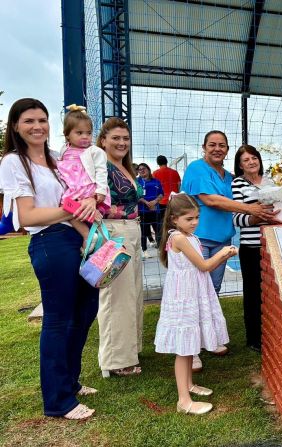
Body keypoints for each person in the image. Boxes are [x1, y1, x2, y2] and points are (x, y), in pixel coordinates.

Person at [0, 98, 99, 419]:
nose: (37, 126)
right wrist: (73, 209)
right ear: (15, 126)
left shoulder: (57, 159)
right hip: (48, 242)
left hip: (76, 237)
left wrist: (87, 233)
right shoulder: (13, 163)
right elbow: (28, 215)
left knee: (85, 311)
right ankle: (58, 400)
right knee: (59, 319)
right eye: (29, 121)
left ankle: (70, 381)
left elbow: (74, 200)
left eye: (42, 120)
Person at [181, 131, 277, 370]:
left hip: (222, 241)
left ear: (226, 149)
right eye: (212, 144)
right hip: (199, 239)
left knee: (211, 291)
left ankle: (207, 339)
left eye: (221, 145)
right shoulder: (196, 168)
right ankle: (189, 350)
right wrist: (250, 209)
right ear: (203, 146)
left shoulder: (229, 178)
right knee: (193, 292)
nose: (217, 148)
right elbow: (211, 200)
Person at [155, 193, 237, 415]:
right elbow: (204, 265)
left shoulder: (189, 236)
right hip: (184, 296)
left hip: (193, 292)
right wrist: (223, 253)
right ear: (174, 219)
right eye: (189, 219)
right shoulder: (179, 238)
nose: (195, 222)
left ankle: (190, 385)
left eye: (197, 217)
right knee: (184, 348)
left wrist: (222, 255)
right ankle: (184, 400)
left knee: (190, 343)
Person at [96, 117, 145, 377]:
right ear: (103, 140)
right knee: (117, 296)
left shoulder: (123, 166)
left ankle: (130, 350)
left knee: (133, 293)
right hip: (114, 232)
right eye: (115, 138)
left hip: (132, 229)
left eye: (125, 138)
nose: (122, 142)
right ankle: (116, 360)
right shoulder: (100, 166)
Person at [231, 145, 282, 353]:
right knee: (254, 293)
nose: (251, 162)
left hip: (274, 245)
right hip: (252, 247)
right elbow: (236, 217)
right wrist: (256, 217)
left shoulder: (272, 182)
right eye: (246, 160)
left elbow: (281, 210)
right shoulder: (237, 184)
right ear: (240, 165)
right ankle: (254, 337)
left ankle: (274, 331)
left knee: (275, 291)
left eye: (254, 158)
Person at [58, 104, 110, 246]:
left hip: (88, 188)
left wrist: (100, 190)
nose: (85, 137)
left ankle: (101, 242)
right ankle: (88, 236)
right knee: (66, 207)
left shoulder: (94, 151)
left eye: (88, 133)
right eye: (79, 133)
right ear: (67, 134)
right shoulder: (64, 150)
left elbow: (101, 171)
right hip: (73, 189)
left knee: (76, 209)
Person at [136, 162, 164, 255]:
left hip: (155, 210)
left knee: (158, 230)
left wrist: (155, 202)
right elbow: (135, 195)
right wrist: (146, 202)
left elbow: (161, 194)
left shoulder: (156, 181)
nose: (142, 171)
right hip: (142, 211)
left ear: (148, 169)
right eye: (139, 169)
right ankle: (144, 251)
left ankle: (160, 249)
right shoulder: (136, 182)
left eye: (144, 168)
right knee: (143, 230)